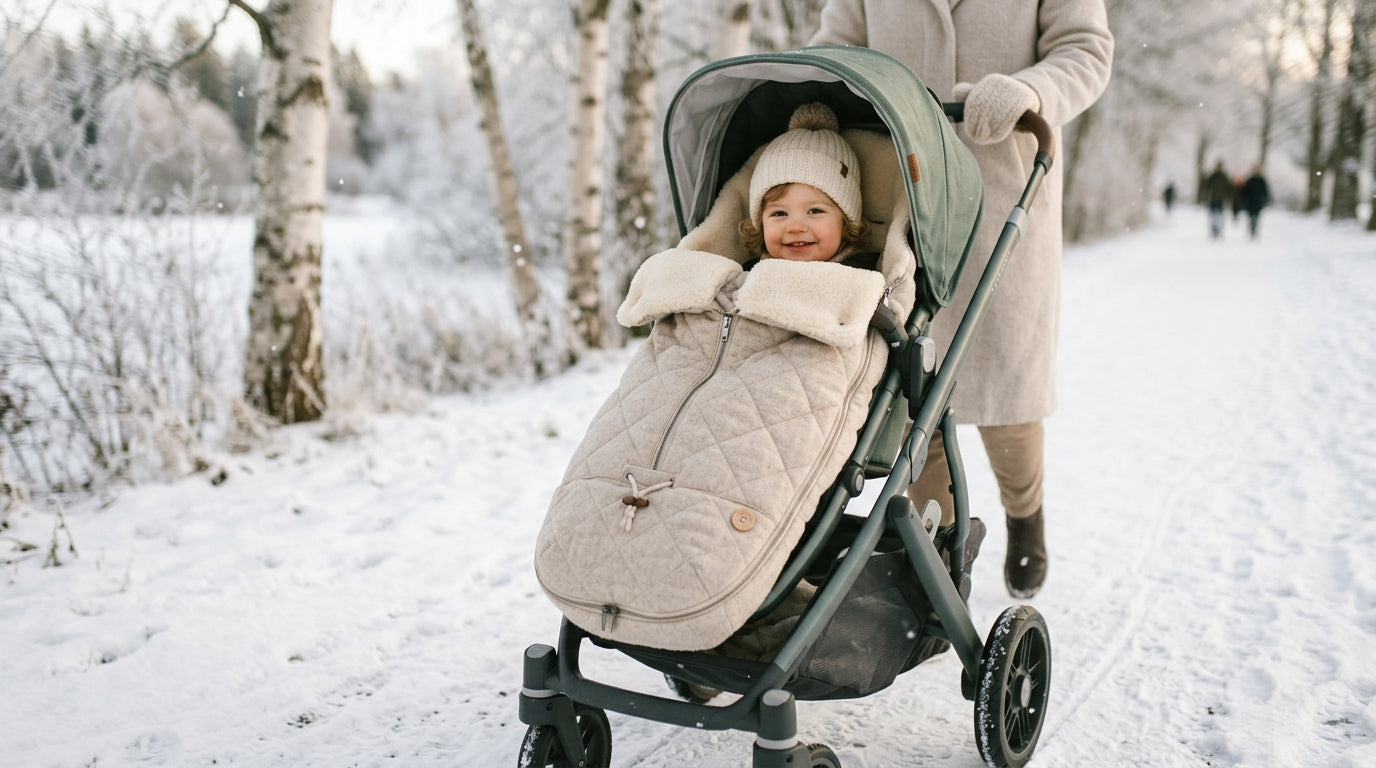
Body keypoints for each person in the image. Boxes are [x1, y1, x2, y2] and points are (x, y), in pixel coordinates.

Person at [810, 0, 1114, 598]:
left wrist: (1029, 89)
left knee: (1009, 389)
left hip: (1004, 196)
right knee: (914, 385)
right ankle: (940, 554)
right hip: (902, 196)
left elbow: (1086, 51)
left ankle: (1025, 514)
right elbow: (835, 48)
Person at [738, 102, 871, 266]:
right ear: (760, 225)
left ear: (846, 223)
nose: (795, 227)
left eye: (815, 211)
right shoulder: (748, 275)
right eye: (779, 213)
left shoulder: (865, 274)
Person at [1201, 161, 1233, 240]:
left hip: (1221, 199)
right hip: (1213, 199)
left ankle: (1219, 230)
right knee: (1213, 216)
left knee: (1220, 216)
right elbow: (1207, 186)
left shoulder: (1224, 177)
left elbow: (1229, 188)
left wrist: (1228, 197)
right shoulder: (1213, 176)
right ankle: (1214, 230)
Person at [1239, 165, 1271, 239]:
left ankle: (1254, 229)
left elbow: (1265, 191)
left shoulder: (1262, 180)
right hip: (1250, 202)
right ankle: (1251, 228)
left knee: (1256, 216)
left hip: (1258, 202)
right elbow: (1245, 191)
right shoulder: (1250, 180)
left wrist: (1266, 200)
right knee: (1251, 216)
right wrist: (1243, 199)